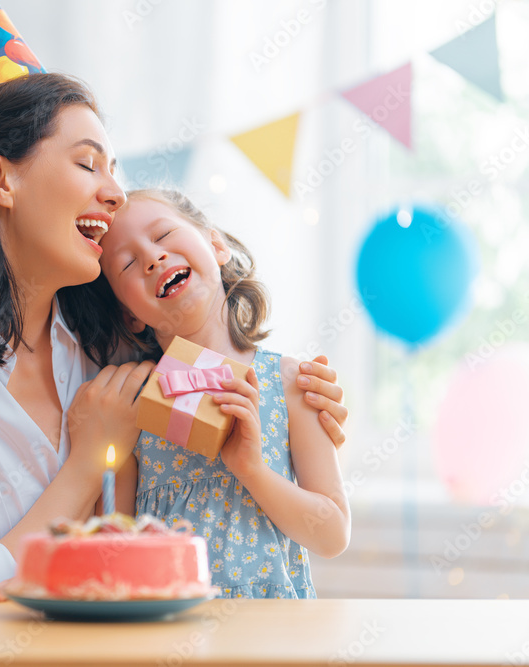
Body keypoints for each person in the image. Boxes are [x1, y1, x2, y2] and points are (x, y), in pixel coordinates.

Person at [0, 72, 348, 597]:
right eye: (87, 164)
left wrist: (305, 394)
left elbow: (211, 350)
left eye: (113, 170)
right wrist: (87, 462)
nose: (113, 194)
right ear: (1, 179)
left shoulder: (110, 351)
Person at [98, 188, 350, 598]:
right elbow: (115, 547)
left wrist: (252, 470)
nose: (152, 257)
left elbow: (332, 535)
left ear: (215, 245)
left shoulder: (293, 382)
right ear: (129, 316)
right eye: (127, 263)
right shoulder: (133, 403)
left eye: (162, 235)